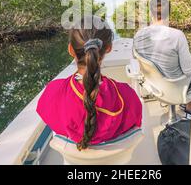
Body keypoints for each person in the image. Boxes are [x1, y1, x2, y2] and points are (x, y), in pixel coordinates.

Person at [37, 16, 142, 150]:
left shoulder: (53, 92)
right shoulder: (127, 95)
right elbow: (135, 124)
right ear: (108, 48)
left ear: (70, 50)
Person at [133, 0, 191, 118]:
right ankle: (188, 109)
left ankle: (169, 104)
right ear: (169, 13)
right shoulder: (177, 35)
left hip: (154, 88)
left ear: (151, 13)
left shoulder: (138, 35)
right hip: (176, 90)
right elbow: (189, 72)